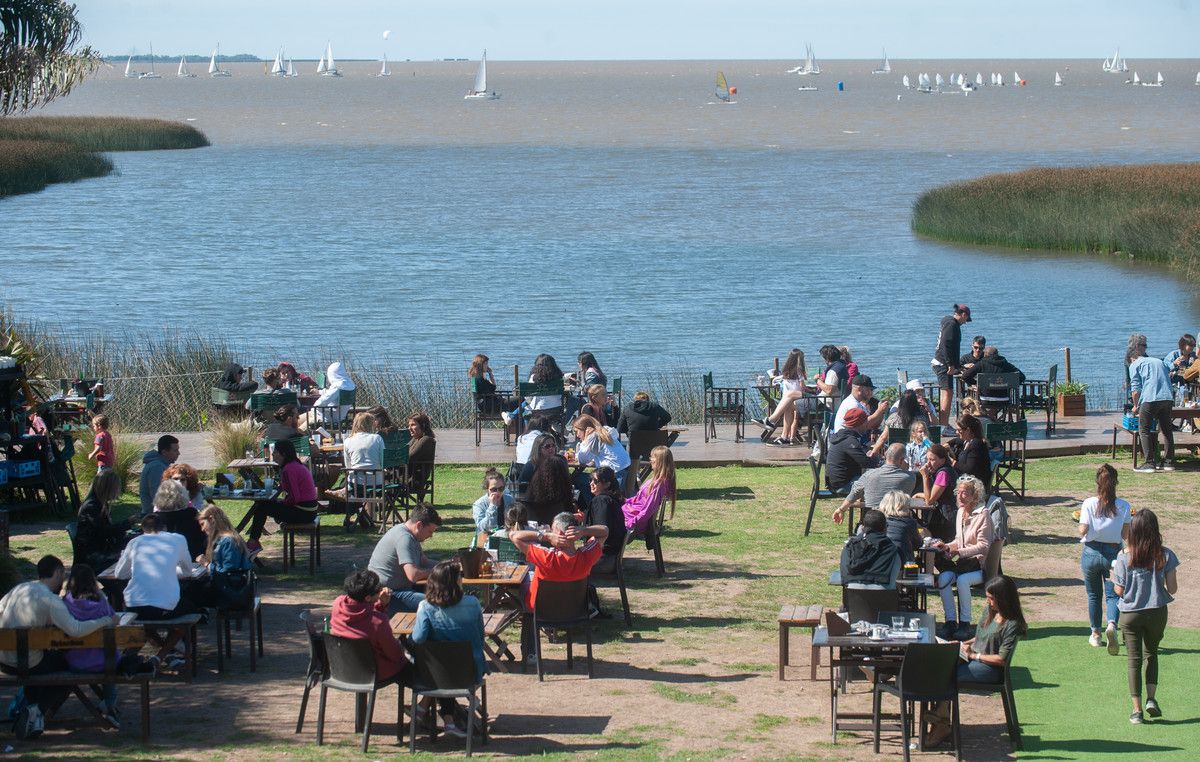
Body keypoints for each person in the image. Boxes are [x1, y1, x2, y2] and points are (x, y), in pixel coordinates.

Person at [0, 555, 119, 739]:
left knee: (45, 660)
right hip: (29, 663)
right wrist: (105, 620)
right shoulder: (51, 600)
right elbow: (76, 630)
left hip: (4, 661)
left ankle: (30, 707)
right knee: (66, 668)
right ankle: (36, 711)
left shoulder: (20, 588)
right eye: (62, 575)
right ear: (57, 572)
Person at [330, 569, 459, 735]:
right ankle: (447, 717)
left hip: (346, 668)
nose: (381, 590)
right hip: (377, 671)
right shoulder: (377, 622)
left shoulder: (338, 604)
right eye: (377, 590)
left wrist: (380, 605)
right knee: (436, 672)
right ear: (368, 598)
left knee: (429, 672)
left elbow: (364, 618)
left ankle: (422, 709)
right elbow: (393, 653)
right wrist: (405, 652)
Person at [926, 574, 1028, 746]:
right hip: (974, 659)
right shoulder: (990, 612)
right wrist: (962, 644)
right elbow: (981, 636)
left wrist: (974, 655)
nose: (988, 602)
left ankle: (940, 722)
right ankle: (941, 719)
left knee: (947, 673)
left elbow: (1001, 659)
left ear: (1003, 598)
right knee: (941, 663)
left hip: (990, 669)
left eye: (992, 598)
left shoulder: (1012, 624)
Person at [509, 512, 608, 664]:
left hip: (540, 612)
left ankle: (530, 654)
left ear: (560, 533)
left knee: (526, 596)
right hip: (575, 612)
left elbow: (514, 535)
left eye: (552, 529)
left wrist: (545, 536)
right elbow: (605, 531)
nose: (550, 532)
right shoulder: (587, 556)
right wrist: (584, 531)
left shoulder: (546, 557)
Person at [63, 564, 154, 726]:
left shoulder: (66, 603)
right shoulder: (100, 603)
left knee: (108, 658)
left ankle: (107, 704)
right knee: (110, 660)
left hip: (74, 662)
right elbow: (116, 620)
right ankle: (109, 703)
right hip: (103, 663)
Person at [1112, 508, 1179, 724]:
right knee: (1152, 654)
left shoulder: (1124, 557)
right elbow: (1173, 588)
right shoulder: (1165, 555)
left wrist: (1114, 580)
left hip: (1130, 613)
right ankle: (1151, 699)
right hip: (1157, 611)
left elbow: (1119, 590)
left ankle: (1137, 711)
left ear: (1133, 531)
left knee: (1134, 660)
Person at [412, 561, 486, 737]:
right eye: (460, 576)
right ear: (456, 582)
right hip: (470, 670)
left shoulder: (426, 607)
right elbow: (481, 637)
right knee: (446, 663)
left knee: (437, 661)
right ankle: (448, 721)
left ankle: (425, 709)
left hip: (438, 671)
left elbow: (418, 638)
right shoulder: (473, 603)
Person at [113, 513, 195, 671]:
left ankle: (167, 653)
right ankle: (162, 655)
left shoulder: (135, 542)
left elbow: (120, 574)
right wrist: (169, 570)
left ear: (143, 529)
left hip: (134, 604)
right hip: (162, 605)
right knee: (190, 611)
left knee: (146, 622)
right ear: (165, 527)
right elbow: (187, 571)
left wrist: (138, 569)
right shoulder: (178, 539)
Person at [930, 475, 994, 640]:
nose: (960, 497)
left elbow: (984, 546)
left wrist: (959, 552)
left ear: (975, 495)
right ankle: (950, 621)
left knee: (962, 581)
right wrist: (946, 546)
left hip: (979, 567)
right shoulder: (960, 512)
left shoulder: (983, 514)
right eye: (958, 493)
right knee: (943, 578)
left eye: (964, 493)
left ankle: (965, 624)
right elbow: (959, 540)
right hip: (962, 565)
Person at [1078, 464, 1131, 652]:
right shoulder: (1124, 505)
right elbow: (1125, 535)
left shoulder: (1088, 503)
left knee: (1093, 594)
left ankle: (1095, 634)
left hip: (1091, 552)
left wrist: (1080, 524)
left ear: (1097, 482)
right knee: (1113, 594)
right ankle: (1111, 625)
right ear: (1115, 483)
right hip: (1113, 554)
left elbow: (1083, 529)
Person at [245, 438, 319, 553]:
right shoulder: (296, 465)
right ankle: (254, 541)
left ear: (283, 454)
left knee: (262, 507)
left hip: (303, 512)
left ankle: (253, 542)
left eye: (275, 452)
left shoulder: (288, 469)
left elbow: (294, 497)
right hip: (311, 510)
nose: (273, 455)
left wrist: (282, 503)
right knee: (266, 504)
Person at [368, 504, 442, 613]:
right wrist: (440, 572)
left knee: (444, 592)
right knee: (440, 603)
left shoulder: (410, 535)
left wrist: (448, 565)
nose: (431, 536)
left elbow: (424, 561)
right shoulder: (404, 538)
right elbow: (413, 575)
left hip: (400, 588)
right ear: (419, 525)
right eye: (430, 531)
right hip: (388, 595)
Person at [1127, 333, 1176, 473]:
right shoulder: (1158, 361)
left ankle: (1149, 463)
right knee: (1167, 430)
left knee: (1144, 429)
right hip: (1167, 397)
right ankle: (1168, 462)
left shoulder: (1135, 364)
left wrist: (1136, 406)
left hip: (1150, 398)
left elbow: (1135, 390)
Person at [832, 443, 915, 526]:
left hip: (872, 523)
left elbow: (854, 493)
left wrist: (841, 509)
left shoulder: (869, 475)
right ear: (902, 460)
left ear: (885, 455)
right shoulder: (910, 477)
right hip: (898, 523)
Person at [751, 349, 818, 445]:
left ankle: (775, 426)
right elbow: (802, 387)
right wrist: (811, 390)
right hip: (797, 398)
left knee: (788, 407)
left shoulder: (786, 371)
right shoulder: (799, 370)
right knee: (788, 408)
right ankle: (783, 435)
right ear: (800, 359)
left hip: (789, 398)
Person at [194, 506, 254, 610]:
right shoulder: (222, 540)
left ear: (212, 519)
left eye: (203, 524)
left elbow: (228, 572)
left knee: (190, 594)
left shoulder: (228, 541)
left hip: (232, 592)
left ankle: (200, 616)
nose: (202, 529)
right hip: (226, 589)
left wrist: (207, 564)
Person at [75, 470, 131, 570]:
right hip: (93, 554)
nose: (118, 491)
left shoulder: (101, 504)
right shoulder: (91, 506)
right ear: (108, 488)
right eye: (116, 488)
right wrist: (128, 523)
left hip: (101, 548)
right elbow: (104, 531)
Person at [571, 414, 631, 502]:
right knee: (586, 478)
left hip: (613, 477)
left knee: (578, 479)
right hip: (622, 473)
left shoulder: (593, 436)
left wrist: (585, 441)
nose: (577, 435)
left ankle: (592, 505)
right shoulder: (604, 431)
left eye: (577, 431)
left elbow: (582, 459)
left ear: (584, 429)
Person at [518, 434, 574, 525]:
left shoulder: (560, 461)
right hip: (536, 503)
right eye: (547, 446)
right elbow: (521, 487)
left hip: (558, 500)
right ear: (538, 449)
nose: (551, 448)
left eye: (553, 446)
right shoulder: (531, 465)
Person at [931, 303, 973, 425]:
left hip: (940, 362)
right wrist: (950, 364)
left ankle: (943, 423)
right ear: (963, 314)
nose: (965, 322)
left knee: (946, 393)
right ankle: (944, 425)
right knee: (947, 394)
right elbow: (945, 345)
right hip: (943, 364)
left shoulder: (947, 320)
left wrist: (959, 366)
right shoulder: (952, 324)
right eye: (966, 319)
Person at [622, 445, 676, 535]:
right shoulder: (660, 481)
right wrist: (625, 500)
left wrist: (630, 523)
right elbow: (640, 499)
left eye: (652, 457)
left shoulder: (658, 485)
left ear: (660, 461)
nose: (650, 459)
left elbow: (647, 511)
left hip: (633, 519)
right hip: (631, 513)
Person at [839, 510, 901, 589]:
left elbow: (845, 573)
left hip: (853, 593)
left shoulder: (850, 547)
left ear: (862, 528)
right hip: (884, 594)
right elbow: (897, 576)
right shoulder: (892, 549)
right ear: (885, 528)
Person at [826, 408, 879, 494]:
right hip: (843, 485)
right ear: (860, 423)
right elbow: (866, 463)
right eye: (865, 421)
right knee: (880, 482)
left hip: (836, 483)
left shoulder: (842, 437)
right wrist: (878, 460)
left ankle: (865, 503)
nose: (867, 424)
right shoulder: (850, 441)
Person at [151, 476, 206, 560]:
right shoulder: (191, 513)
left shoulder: (155, 517)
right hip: (192, 557)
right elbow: (201, 536)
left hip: (163, 558)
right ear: (183, 495)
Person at [586, 466, 627, 572]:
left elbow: (602, 531)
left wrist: (582, 531)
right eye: (590, 480)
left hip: (604, 558)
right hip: (612, 556)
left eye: (595, 481)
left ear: (607, 484)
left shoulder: (601, 501)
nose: (591, 483)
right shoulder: (611, 499)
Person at [918, 444, 958, 542]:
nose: (928, 463)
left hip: (945, 519)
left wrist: (925, 477)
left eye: (932, 460)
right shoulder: (943, 470)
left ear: (942, 460)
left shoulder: (943, 473)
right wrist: (919, 494)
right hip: (944, 517)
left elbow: (929, 500)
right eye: (927, 459)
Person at [138, 434, 179, 515]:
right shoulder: (156, 467)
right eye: (175, 450)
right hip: (155, 516)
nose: (178, 453)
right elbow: (157, 497)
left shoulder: (161, 465)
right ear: (164, 452)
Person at [343, 412, 385, 488]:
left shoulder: (347, 441)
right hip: (376, 483)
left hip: (355, 484)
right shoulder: (377, 438)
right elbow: (383, 461)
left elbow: (348, 466)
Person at [948, 414, 991, 489]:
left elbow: (969, 469)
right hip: (966, 480)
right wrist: (946, 445)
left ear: (968, 430)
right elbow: (956, 440)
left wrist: (952, 462)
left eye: (959, 430)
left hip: (975, 485)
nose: (956, 432)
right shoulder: (966, 441)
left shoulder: (976, 444)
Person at [879, 489, 921, 563]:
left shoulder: (878, 520)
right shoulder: (909, 522)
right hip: (903, 562)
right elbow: (918, 543)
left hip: (882, 561)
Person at [310, 361, 356, 426]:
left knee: (301, 421)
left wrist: (312, 408)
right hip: (341, 417)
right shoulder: (350, 384)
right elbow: (332, 393)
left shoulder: (338, 386)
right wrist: (319, 392)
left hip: (329, 418)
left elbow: (321, 403)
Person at [406, 412, 437, 498]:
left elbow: (409, 457)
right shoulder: (415, 439)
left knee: (381, 479)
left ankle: (378, 502)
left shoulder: (426, 440)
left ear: (423, 425)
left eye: (413, 425)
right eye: (409, 425)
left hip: (414, 479)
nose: (409, 428)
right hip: (406, 475)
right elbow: (402, 452)